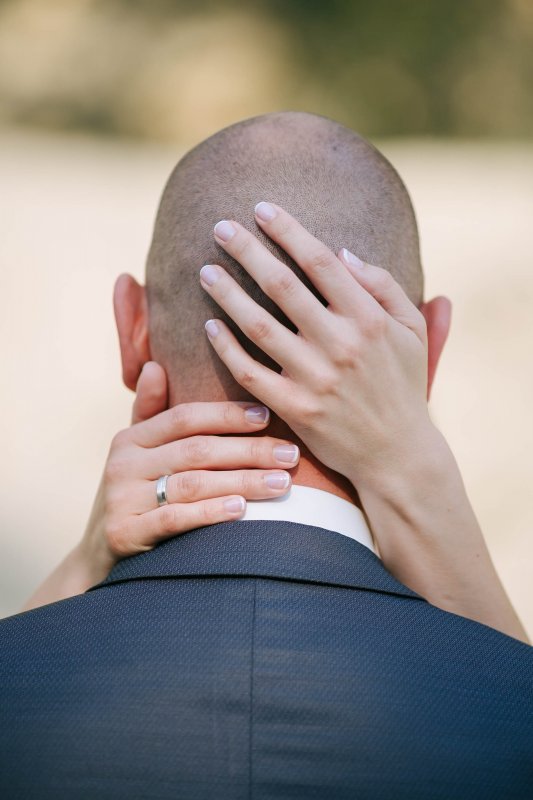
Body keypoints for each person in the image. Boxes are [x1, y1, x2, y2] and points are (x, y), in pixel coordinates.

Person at [1, 112, 531, 798]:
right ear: (429, 349)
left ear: (131, 327)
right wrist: (424, 487)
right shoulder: (507, 716)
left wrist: (81, 566)